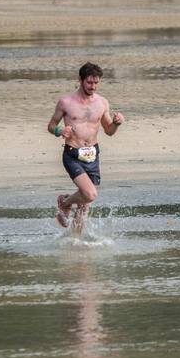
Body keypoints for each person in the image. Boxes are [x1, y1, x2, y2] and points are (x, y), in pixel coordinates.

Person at [47, 62, 124, 233]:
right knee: (90, 195)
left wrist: (116, 123)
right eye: (89, 82)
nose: (93, 86)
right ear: (80, 79)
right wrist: (60, 130)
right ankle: (65, 202)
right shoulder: (66, 102)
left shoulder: (102, 103)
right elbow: (51, 125)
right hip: (73, 155)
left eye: (96, 83)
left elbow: (109, 131)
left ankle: (76, 240)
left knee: (85, 204)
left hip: (92, 155)